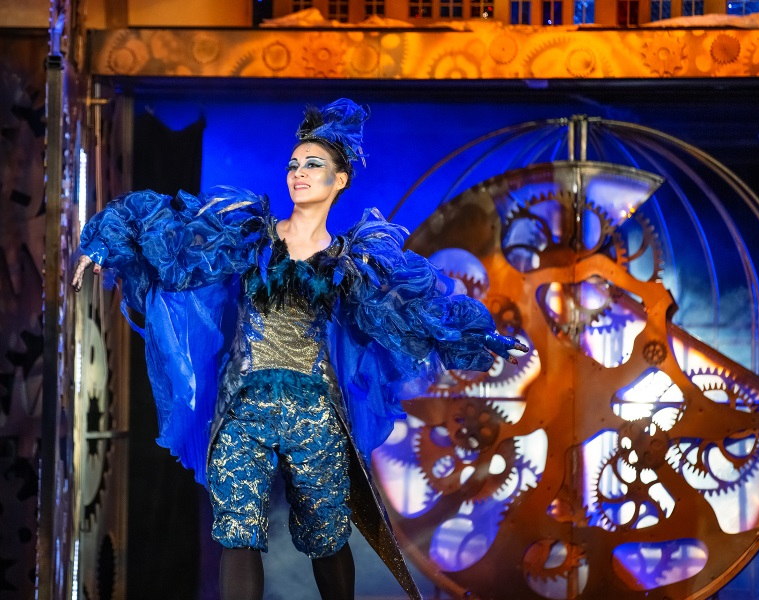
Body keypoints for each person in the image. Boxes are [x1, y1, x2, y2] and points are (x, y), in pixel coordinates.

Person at [72, 98, 527, 600]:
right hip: (242, 406)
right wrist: (105, 242)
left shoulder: (353, 262)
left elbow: (414, 312)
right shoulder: (249, 235)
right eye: (293, 165)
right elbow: (175, 234)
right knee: (237, 532)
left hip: (314, 413)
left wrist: (479, 337)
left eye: (313, 165)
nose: (299, 174)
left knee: (326, 539)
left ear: (340, 180)